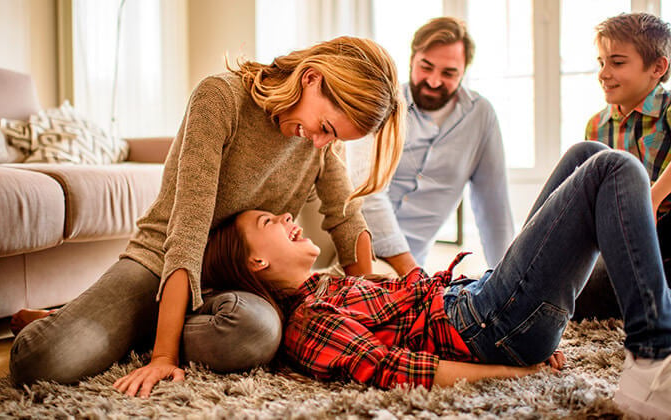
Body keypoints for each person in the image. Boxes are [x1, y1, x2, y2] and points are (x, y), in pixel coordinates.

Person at [8, 36, 406, 398]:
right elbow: (188, 229)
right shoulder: (221, 97)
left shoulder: (318, 142)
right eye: (325, 128)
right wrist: (163, 356)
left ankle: (137, 326)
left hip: (242, 279)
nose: (322, 142)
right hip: (164, 261)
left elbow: (346, 216)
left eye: (333, 137)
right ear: (312, 79)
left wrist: (363, 309)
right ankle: (73, 323)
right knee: (43, 362)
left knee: (258, 333)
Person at [204, 141, 671, 418]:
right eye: (269, 223)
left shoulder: (325, 284)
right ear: (256, 265)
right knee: (614, 168)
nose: (286, 215)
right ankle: (652, 357)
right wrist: (518, 372)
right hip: (489, 325)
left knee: (585, 155)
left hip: (479, 300)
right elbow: (401, 372)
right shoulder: (308, 321)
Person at [346, 16, 513, 276]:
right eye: (426, 67)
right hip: (358, 252)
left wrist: (506, 278)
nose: (434, 81)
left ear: (464, 72)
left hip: (412, 268)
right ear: (412, 59)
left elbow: (494, 210)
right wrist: (410, 271)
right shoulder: (381, 106)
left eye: (448, 73)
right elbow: (365, 190)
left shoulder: (481, 116)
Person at [575, 12, 671, 320]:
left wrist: (651, 200)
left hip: (666, 228)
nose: (604, 73)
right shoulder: (596, 126)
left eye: (617, 63)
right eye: (601, 62)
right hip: (623, 241)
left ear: (657, 67)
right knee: (583, 299)